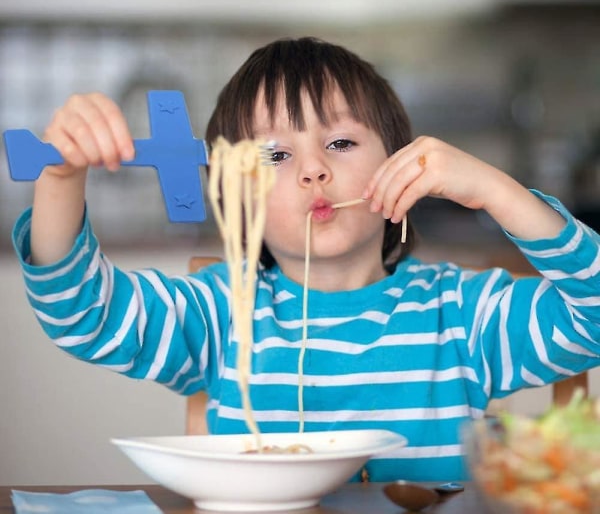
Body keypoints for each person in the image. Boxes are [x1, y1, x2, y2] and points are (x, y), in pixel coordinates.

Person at [12, 37, 600, 483]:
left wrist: (497, 192)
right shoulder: (220, 311)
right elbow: (81, 315)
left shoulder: (465, 314)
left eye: (340, 143)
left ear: (403, 165)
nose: (313, 169)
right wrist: (61, 177)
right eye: (274, 154)